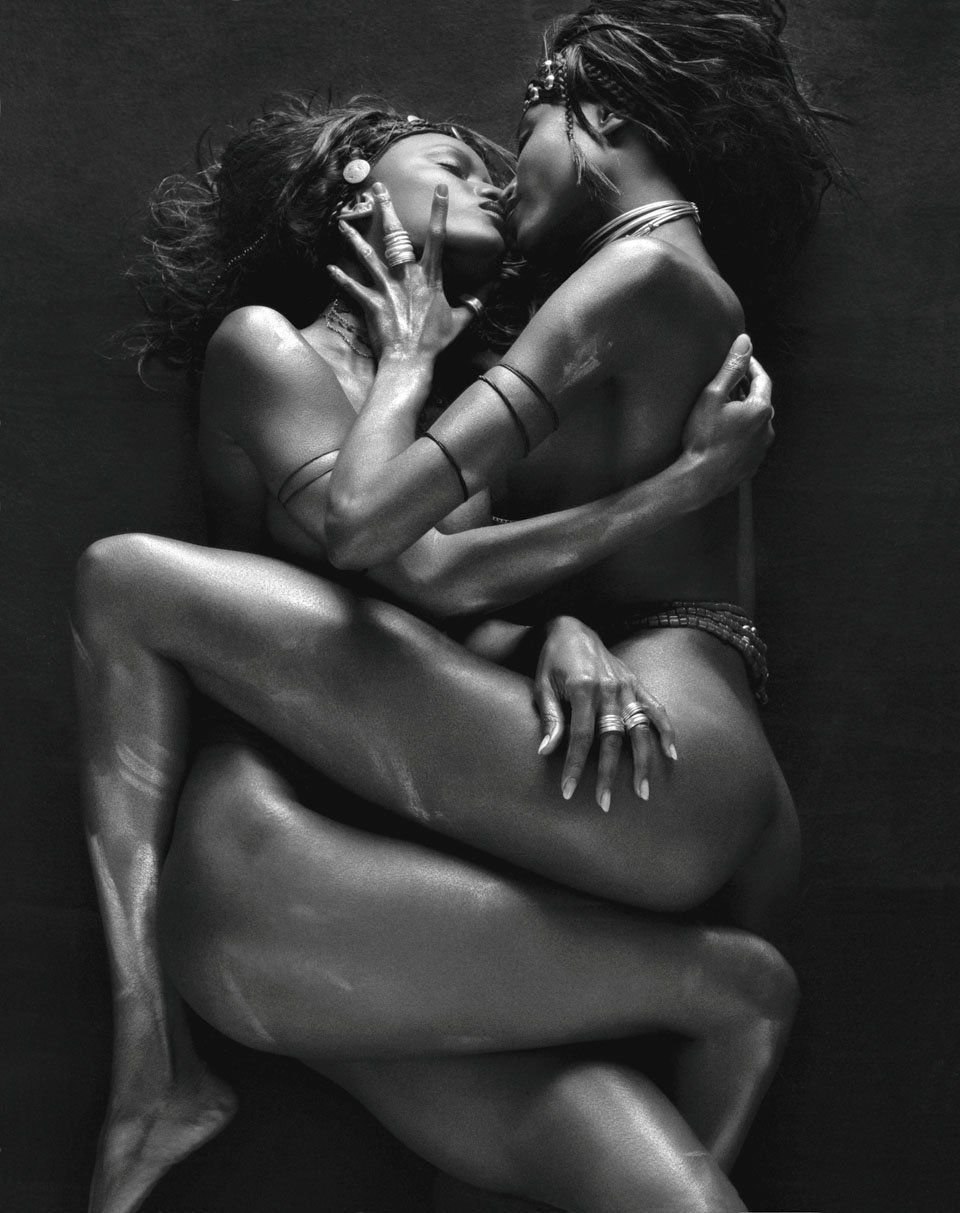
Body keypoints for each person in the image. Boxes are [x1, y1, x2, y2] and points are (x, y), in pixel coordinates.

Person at [75, 2, 839, 1208]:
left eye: (506, 146)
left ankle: (724, 993)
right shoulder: (270, 346)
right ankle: (151, 1056)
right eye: (451, 159)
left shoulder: (467, 404)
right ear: (355, 196)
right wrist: (673, 488)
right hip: (288, 842)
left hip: (425, 857)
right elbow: (400, 566)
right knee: (123, 572)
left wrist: (567, 629)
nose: (492, 171)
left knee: (635, 1176)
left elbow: (458, 599)